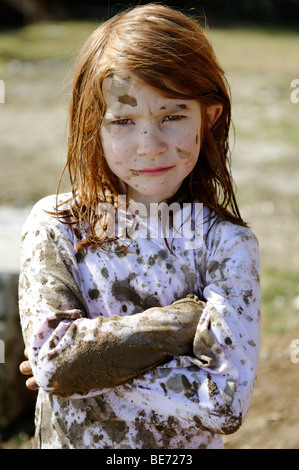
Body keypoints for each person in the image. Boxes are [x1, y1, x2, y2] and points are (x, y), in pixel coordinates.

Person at [18, 4, 260, 449]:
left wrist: (84, 364)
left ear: (209, 117)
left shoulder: (225, 243)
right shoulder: (56, 227)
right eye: (124, 121)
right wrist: (177, 327)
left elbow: (223, 403)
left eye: (172, 115)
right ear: (95, 127)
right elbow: (55, 366)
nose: (149, 146)